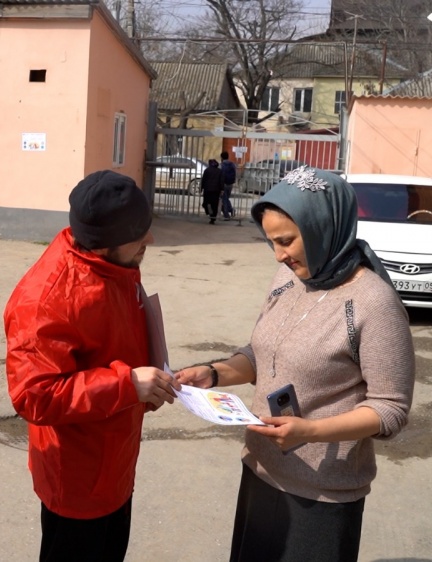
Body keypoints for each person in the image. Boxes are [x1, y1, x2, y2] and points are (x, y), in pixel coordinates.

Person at [176, 166, 415, 562]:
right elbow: (262, 354)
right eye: (271, 242)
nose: (279, 255)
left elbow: (390, 408)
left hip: (321, 495)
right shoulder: (288, 279)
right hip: (260, 471)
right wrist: (216, 372)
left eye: (286, 241)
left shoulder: (374, 303)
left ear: (322, 227)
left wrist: (312, 431)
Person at [4, 170, 179, 561]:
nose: (150, 240)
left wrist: (149, 379)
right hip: (77, 479)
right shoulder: (45, 300)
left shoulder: (114, 264)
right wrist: (127, 384)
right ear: (103, 244)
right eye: (139, 235)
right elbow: (33, 395)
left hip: (115, 458)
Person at [201, 158, 224, 224]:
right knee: (214, 204)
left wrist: (201, 188)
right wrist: (222, 189)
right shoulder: (219, 171)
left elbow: (203, 180)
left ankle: (210, 213)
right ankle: (213, 217)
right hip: (216, 191)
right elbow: (221, 181)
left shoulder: (206, 170)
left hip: (207, 190)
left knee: (206, 203)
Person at [219, 151, 237, 220]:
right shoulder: (232, 164)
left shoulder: (222, 165)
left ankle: (227, 215)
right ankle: (231, 210)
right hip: (230, 184)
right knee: (226, 199)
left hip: (224, 184)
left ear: (221, 157)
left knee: (224, 199)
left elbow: (221, 175)